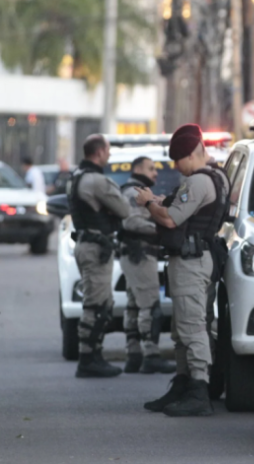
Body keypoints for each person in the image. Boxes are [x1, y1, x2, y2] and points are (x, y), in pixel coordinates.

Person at [135, 124, 230, 417]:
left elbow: (171, 221)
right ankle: (183, 383)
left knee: (193, 328)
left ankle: (199, 390)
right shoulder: (217, 177)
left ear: (192, 154)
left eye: (179, 160)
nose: (177, 167)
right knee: (182, 328)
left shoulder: (199, 182)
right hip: (193, 259)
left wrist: (149, 202)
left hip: (192, 262)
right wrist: (162, 201)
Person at [68, 135, 130, 378]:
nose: (109, 155)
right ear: (100, 152)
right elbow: (124, 209)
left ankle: (93, 356)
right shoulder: (95, 181)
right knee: (97, 305)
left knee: (99, 302)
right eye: (108, 151)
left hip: (87, 244)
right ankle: (88, 359)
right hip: (95, 248)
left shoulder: (75, 177)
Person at [118, 156, 176, 375]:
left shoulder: (135, 191)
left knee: (134, 305)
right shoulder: (134, 193)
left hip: (135, 254)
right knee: (149, 305)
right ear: (138, 169)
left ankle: (133, 355)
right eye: (151, 169)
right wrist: (160, 228)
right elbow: (131, 222)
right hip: (140, 254)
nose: (155, 173)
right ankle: (150, 355)